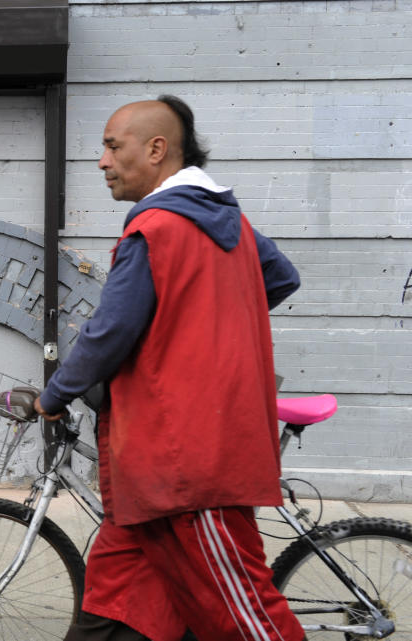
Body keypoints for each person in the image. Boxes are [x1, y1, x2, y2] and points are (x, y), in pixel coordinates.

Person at [33, 96, 304, 641]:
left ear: (156, 150)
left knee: (250, 622)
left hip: (185, 461)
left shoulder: (154, 228)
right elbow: (279, 277)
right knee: (117, 604)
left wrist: (54, 394)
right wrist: (203, 326)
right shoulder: (223, 218)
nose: (102, 161)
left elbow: (109, 333)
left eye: (112, 146)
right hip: (160, 472)